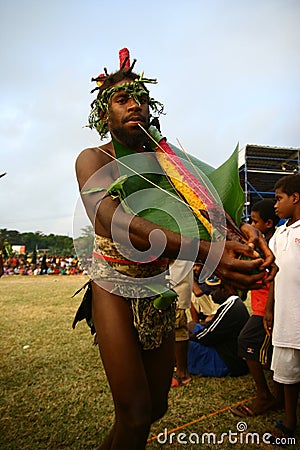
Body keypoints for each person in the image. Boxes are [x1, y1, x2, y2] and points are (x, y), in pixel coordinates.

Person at [74, 48, 275, 449]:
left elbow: (211, 208)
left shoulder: (171, 162)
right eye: (122, 98)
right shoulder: (93, 159)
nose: (135, 104)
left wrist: (243, 233)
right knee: (132, 415)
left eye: (141, 96)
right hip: (112, 285)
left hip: (159, 286)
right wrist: (207, 252)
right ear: (103, 115)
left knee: (155, 410)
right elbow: (112, 221)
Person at [231, 199, 283, 417]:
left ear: (269, 223)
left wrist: (269, 310)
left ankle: (265, 396)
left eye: (255, 221)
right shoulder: (258, 245)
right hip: (261, 306)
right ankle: (277, 393)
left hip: (268, 309)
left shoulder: (275, 245)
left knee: (247, 341)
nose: (251, 225)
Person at [264, 174, 300, 444]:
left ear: (295, 198)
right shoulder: (279, 233)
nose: (275, 206)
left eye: (279, 199)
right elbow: (275, 273)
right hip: (287, 316)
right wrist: (269, 308)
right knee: (287, 372)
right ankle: (290, 421)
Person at [188, 279, 250, 377]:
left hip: (227, 361)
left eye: (213, 290)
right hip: (225, 350)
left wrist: (188, 339)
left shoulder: (230, 308)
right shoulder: (234, 303)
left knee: (182, 345)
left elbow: (207, 337)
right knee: (191, 326)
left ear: (225, 289)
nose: (211, 294)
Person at [169, 260, 193, 387]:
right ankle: (176, 368)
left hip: (176, 282)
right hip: (170, 281)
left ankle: (182, 373)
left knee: (177, 327)